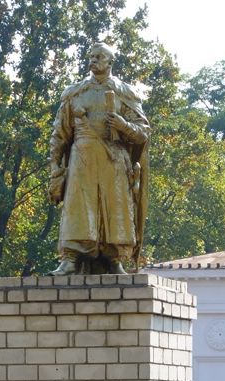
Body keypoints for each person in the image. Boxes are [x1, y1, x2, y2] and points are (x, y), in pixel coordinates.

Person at [48, 42, 150, 275]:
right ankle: (71, 259)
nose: (93, 61)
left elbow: (143, 131)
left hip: (113, 159)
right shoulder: (75, 93)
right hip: (81, 158)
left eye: (98, 57)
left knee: (115, 207)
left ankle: (115, 259)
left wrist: (123, 125)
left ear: (110, 62)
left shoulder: (125, 93)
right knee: (78, 207)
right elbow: (60, 133)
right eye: (91, 57)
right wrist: (55, 167)